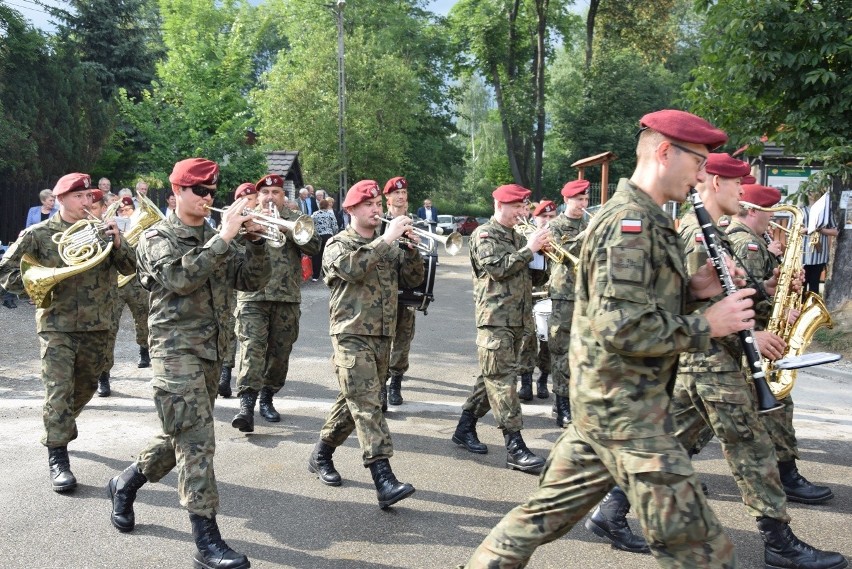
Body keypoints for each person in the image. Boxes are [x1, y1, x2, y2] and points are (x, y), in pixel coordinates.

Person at [462, 110, 759, 568]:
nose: (703, 175)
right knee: (701, 548)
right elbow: (619, 325)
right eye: (698, 161)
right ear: (664, 152)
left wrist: (694, 290)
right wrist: (708, 325)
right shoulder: (629, 224)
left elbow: (639, 305)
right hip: (624, 412)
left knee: (539, 519)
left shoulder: (651, 219)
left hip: (612, 403)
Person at [668, 156, 846, 569]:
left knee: (674, 440)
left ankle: (609, 508)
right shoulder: (698, 233)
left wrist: (765, 291)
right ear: (715, 184)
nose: (742, 195)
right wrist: (751, 334)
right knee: (751, 448)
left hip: (716, 357)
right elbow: (696, 309)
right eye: (735, 185)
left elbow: (717, 295)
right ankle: (778, 543)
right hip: (711, 357)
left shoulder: (710, 230)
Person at [106, 158, 269, 569]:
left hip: (212, 351)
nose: (208, 198)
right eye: (199, 190)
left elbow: (251, 281)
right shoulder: (156, 237)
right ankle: (206, 540)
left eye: (212, 191)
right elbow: (180, 279)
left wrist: (255, 242)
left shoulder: (220, 236)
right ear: (176, 191)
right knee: (198, 442)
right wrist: (225, 237)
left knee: (180, 435)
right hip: (174, 353)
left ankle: (125, 483)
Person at [0, 173, 135, 492]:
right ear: (61, 199)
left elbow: (131, 268)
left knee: (87, 385)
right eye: (80, 197)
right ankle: (58, 454)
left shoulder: (103, 231)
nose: (89, 202)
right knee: (58, 389)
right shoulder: (38, 234)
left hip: (98, 324)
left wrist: (118, 241)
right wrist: (37, 291)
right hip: (56, 325)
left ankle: (58, 422)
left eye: (90, 197)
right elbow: (6, 271)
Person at [307, 179, 424, 508]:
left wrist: (412, 251)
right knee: (370, 404)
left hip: (382, 336)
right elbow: (351, 269)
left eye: (377, 203)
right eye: (368, 204)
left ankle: (321, 455)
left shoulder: (391, 245)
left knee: (353, 401)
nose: (376, 209)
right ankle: (383, 477)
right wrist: (387, 240)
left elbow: (413, 282)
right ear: (350, 210)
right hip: (351, 334)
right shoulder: (337, 244)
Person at [728, 183, 835, 506]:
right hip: (749, 338)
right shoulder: (744, 242)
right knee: (762, 412)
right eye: (770, 213)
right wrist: (774, 303)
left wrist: (780, 291)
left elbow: (755, 289)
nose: (774, 220)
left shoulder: (755, 241)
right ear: (754, 211)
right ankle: (781, 482)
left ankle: (783, 476)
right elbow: (738, 296)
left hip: (758, 336)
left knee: (768, 409)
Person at [451, 184, 550, 475]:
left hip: (518, 318)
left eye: (524, 207)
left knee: (491, 375)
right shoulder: (484, 234)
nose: (523, 212)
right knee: (503, 381)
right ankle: (515, 446)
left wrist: (540, 255)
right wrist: (529, 248)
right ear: (500, 206)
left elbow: (536, 278)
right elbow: (498, 267)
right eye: (517, 207)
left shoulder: (518, 236)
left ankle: (464, 428)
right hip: (494, 319)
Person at [230, 174, 321, 431]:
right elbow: (227, 245)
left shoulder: (296, 219)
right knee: (252, 349)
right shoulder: (247, 216)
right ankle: (246, 406)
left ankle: (267, 398)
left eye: (276, 192)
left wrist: (286, 229)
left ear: (284, 196)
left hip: (286, 296)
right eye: (266, 192)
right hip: (252, 296)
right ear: (258, 196)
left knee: (280, 353)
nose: (270, 197)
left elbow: (314, 246)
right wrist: (249, 230)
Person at [97, 196, 153, 397]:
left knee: (143, 318)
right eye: (122, 209)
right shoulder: (104, 228)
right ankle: (104, 375)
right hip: (116, 285)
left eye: (128, 208)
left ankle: (144, 349)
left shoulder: (140, 226)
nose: (125, 212)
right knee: (110, 328)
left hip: (135, 280)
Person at [544, 179, 588, 428]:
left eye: (585, 200)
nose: (583, 204)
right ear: (567, 201)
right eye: (578, 200)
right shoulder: (556, 225)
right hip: (563, 294)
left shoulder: (589, 223)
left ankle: (577, 400)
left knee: (582, 350)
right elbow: (560, 253)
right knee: (561, 351)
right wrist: (585, 234)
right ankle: (562, 405)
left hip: (586, 294)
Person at [380, 176, 420, 408]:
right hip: (382, 290)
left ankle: (396, 381)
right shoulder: (379, 221)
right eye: (396, 193)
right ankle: (382, 384)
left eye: (404, 193)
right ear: (388, 199)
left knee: (403, 338)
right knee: (383, 339)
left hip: (406, 289)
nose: (401, 196)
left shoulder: (416, 223)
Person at [218, 182, 259, 399]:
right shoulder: (230, 219)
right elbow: (220, 247)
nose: (248, 204)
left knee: (249, 339)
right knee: (229, 328)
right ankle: (225, 374)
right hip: (233, 285)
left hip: (256, 286)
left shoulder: (262, 219)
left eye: (251, 199)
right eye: (243, 200)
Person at [516, 200, 556, 403]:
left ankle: (543, 379)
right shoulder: (523, 236)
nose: (547, 221)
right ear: (534, 217)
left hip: (548, 295)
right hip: (527, 295)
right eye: (543, 217)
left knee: (547, 340)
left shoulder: (557, 237)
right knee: (527, 339)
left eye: (551, 217)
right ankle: (525, 381)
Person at [801, 191, 838, 297]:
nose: (813, 195)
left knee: (814, 285)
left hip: (818, 255)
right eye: (811, 193)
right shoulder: (801, 211)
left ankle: (813, 309)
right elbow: (790, 231)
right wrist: (809, 229)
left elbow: (835, 231)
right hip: (802, 255)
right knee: (801, 285)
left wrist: (821, 230)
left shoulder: (826, 212)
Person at [310, 197, 339, 282]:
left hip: (318, 237)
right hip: (328, 236)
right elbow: (335, 226)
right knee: (327, 255)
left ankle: (315, 276)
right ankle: (326, 274)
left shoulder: (314, 214)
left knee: (316, 256)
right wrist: (333, 234)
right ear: (327, 206)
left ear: (319, 206)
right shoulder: (330, 214)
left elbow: (311, 225)